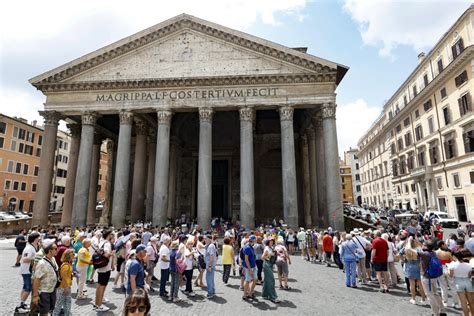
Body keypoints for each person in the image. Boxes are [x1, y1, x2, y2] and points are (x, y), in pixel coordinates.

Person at [418, 239, 447, 316]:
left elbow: (410, 250)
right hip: (434, 276)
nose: (422, 246)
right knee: (435, 293)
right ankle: (442, 310)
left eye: (424, 245)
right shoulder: (433, 253)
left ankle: (435, 313)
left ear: (427, 247)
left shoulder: (424, 254)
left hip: (426, 277)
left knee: (430, 296)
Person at [32, 239, 59, 316]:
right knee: (44, 313)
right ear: (50, 250)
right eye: (55, 249)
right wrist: (35, 295)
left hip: (52, 290)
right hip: (44, 292)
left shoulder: (53, 259)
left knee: (49, 310)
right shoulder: (42, 263)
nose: (57, 250)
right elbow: (36, 279)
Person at [15, 232, 40, 314]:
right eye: (38, 238)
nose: (39, 239)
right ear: (35, 239)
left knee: (25, 287)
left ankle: (21, 303)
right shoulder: (28, 248)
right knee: (28, 288)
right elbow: (25, 259)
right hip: (26, 270)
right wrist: (36, 259)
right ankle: (20, 306)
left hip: (28, 270)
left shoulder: (32, 247)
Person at [399, 236, 427, 305]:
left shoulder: (406, 248)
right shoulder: (418, 249)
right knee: (420, 284)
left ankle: (413, 299)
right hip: (418, 266)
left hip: (409, 266)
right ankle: (423, 299)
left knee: (412, 284)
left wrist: (403, 259)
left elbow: (400, 253)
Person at [447, 249, 474, 316]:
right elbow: (469, 275)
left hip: (458, 282)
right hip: (467, 282)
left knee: (463, 302)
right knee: (471, 301)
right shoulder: (468, 265)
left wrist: (448, 269)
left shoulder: (452, 265)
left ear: (456, 257)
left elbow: (450, 275)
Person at [94, 230, 115, 312]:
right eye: (112, 235)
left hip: (101, 267)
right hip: (105, 267)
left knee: (99, 285)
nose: (113, 236)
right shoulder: (107, 243)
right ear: (109, 235)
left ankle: (97, 304)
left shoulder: (101, 242)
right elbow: (106, 253)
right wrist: (112, 253)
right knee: (102, 286)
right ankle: (99, 306)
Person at [436, 240, 459, 308]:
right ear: (442, 245)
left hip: (440, 269)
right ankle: (456, 302)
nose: (446, 245)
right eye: (445, 244)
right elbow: (453, 261)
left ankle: (444, 301)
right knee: (452, 286)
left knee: (443, 286)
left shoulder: (436, 252)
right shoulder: (448, 253)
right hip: (448, 268)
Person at [52, 249, 75, 316]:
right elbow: (63, 278)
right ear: (68, 256)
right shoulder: (65, 266)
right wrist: (66, 288)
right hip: (63, 287)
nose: (74, 256)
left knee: (67, 303)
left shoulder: (68, 264)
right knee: (59, 304)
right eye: (73, 254)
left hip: (66, 286)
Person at [261, 236, 280, 303]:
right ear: (268, 242)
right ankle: (273, 297)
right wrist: (270, 255)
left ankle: (264, 295)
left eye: (272, 241)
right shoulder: (266, 248)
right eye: (270, 241)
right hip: (267, 264)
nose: (271, 242)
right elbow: (262, 257)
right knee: (271, 280)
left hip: (270, 264)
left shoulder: (271, 247)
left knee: (267, 280)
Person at [242, 235, 258, 300]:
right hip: (249, 267)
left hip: (253, 266)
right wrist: (249, 269)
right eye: (255, 240)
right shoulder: (247, 247)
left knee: (255, 279)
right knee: (248, 280)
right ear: (253, 240)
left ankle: (250, 293)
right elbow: (246, 260)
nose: (256, 241)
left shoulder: (250, 246)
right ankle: (245, 295)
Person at [204, 234, 217, 299]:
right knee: (211, 279)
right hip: (210, 265)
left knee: (208, 279)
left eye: (205, 239)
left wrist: (209, 266)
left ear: (209, 239)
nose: (204, 240)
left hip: (210, 265)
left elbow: (211, 257)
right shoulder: (209, 245)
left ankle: (210, 293)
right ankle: (212, 291)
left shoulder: (211, 246)